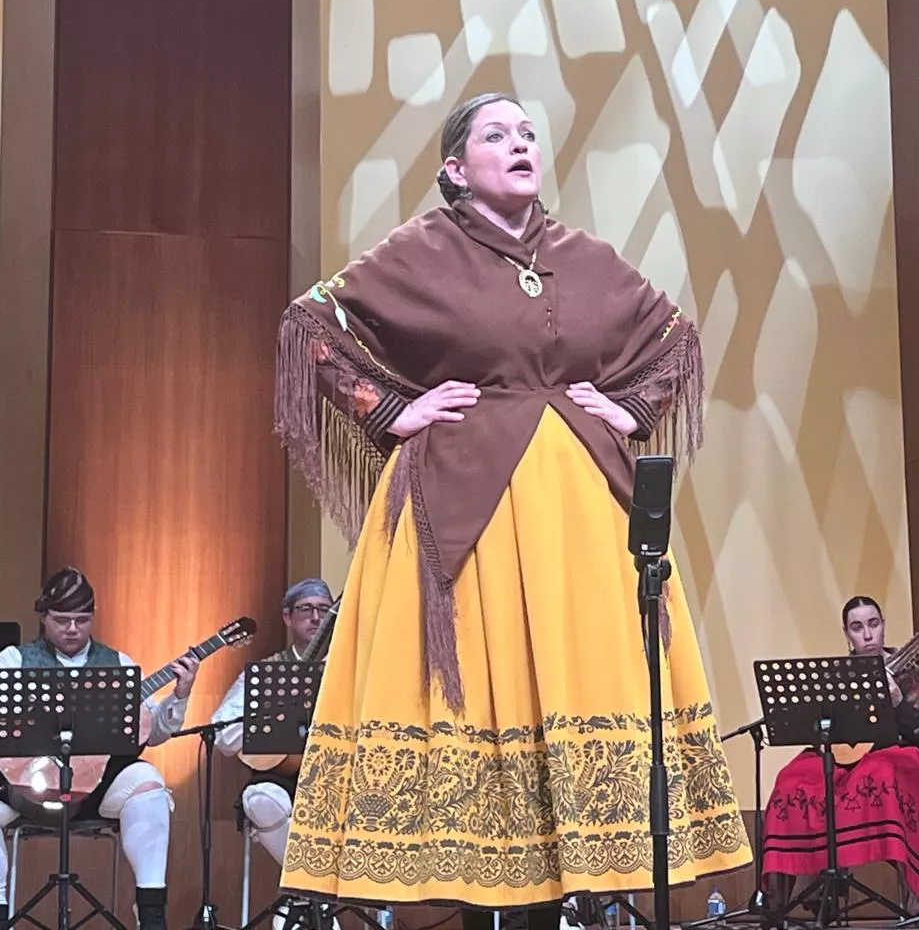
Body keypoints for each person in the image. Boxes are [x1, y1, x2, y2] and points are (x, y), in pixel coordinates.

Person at [273, 92, 749, 929]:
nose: (520, 144)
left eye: (528, 133)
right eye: (498, 135)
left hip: (575, 507)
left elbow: (676, 337)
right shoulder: (422, 250)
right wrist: (389, 410)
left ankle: (580, 884)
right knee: (477, 696)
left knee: (571, 676)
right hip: (466, 502)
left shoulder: (582, 255)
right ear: (457, 169)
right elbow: (312, 322)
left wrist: (631, 410)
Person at [0, 568, 202, 930]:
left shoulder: (118, 663)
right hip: (26, 788)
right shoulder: (14, 659)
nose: (72, 628)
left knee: (148, 781)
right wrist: (51, 698)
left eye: (82, 620)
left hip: (95, 790)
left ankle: (151, 911)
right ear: (44, 619)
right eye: (62, 620)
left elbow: (155, 731)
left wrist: (181, 694)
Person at [760, 596, 919, 915]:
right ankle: (780, 898)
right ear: (846, 633)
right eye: (857, 627)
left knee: (877, 773)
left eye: (873, 624)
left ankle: (913, 900)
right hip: (845, 760)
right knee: (792, 778)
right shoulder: (838, 676)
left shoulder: (910, 675)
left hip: (899, 758)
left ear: (883, 627)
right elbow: (823, 732)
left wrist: (897, 702)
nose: (867, 635)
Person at [213, 578, 334, 921]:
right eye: (305, 609)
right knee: (259, 799)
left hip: (337, 779)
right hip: (281, 778)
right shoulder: (267, 673)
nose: (315, 617)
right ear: (287, 617)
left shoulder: (349, 672)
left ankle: (304, 899)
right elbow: (223, 738)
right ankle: (314, 896)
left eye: (323, 610)